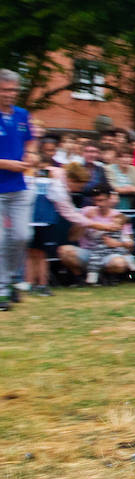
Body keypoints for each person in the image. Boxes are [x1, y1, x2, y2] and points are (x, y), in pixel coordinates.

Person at [0, 69, 35, 309]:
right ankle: (2, 288)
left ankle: (11, 278)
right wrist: (6, 163)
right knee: (0, 239)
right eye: (5, 90)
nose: (10, 94)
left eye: (13, 89)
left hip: (19, 186)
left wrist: (31, 153)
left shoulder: (22, 114)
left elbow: (30, 140)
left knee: (22, 236)